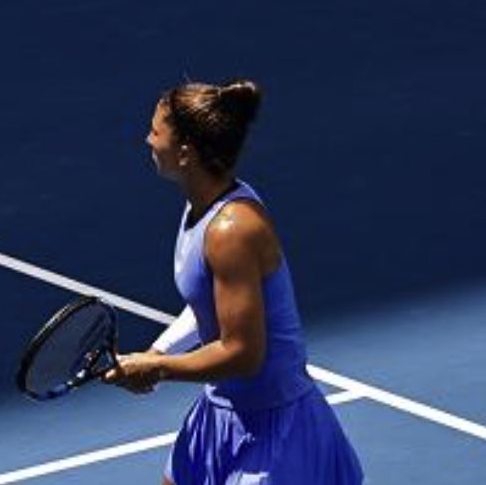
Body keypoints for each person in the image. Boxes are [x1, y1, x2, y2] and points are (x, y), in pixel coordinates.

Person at [104, 79, 362, 485]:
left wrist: (158, 369)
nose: (147, 139)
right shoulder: (201, 206)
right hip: (223, 409)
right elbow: (208, 302)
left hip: (276, 431)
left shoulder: (232, 230)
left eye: (155, 131)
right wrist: (158, 351)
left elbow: (243, 354)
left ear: (185, 152)